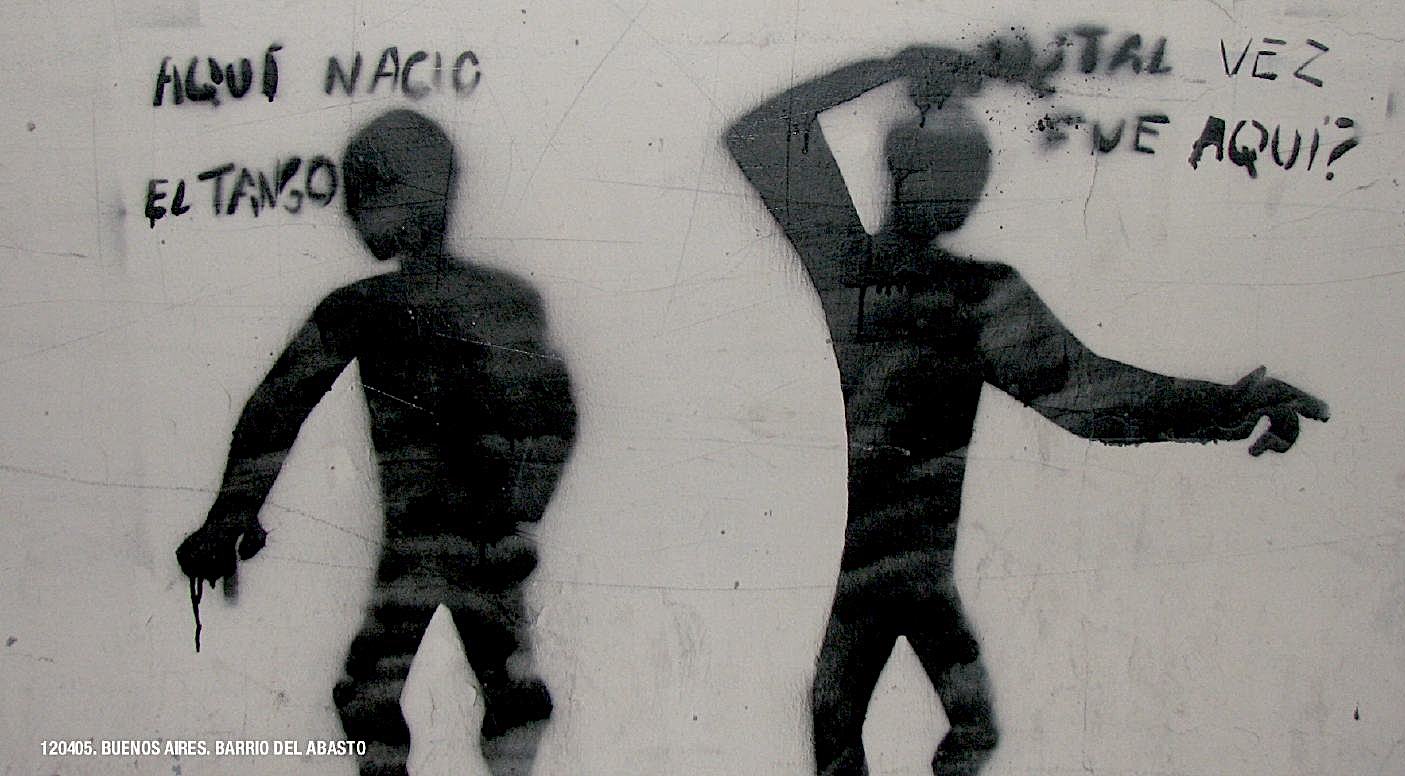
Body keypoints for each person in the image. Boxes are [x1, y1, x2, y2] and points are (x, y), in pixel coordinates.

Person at [724, 45, 1329, 776]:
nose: (971, 194)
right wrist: (1226, 407)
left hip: (882, 571)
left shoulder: (853, 270)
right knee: (944, 730)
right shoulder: (972, 297)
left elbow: (765, 132)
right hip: (909, 571)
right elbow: (1093, 398)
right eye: (965, 177)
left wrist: (891, 67)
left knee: (865, 728)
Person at [176, 109, 577, 775]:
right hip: (485, 541)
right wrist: (522, 510)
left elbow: (276, 410)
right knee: (503, 692)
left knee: (374, 697)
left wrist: (230, 515)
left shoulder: (359, 307)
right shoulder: (507, 298)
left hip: (421, 542)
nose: (349, 213)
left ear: (405, 200)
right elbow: (556, 414)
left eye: (361, 195)